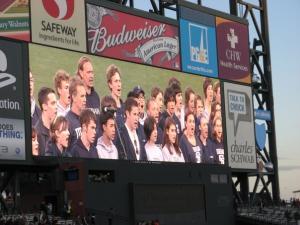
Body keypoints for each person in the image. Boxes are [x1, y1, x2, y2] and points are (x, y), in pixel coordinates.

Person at [35, 87, 57, 155]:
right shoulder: (37, 135)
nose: (56, 107)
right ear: (44, 106)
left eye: (56, 103)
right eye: (53, 103)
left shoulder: (57, 129)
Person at [65, 77, 86, 148]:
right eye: (82, 96)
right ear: (73, 97)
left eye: (85, 96)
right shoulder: (67, 122)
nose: (85, 99)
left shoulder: (86, 119)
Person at [106, 64, 125, 129]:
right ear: (110, 84)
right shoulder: (107, 107)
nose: (119, 84)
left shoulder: (124, 106)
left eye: (119, 81)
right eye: (116, 81)